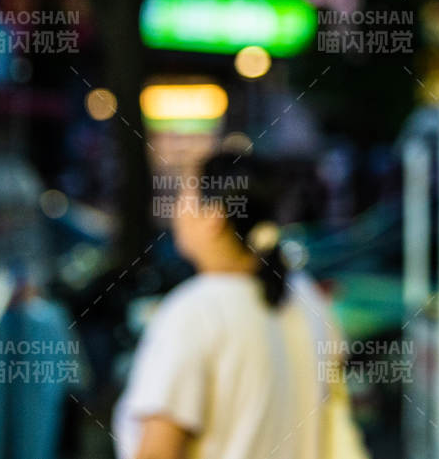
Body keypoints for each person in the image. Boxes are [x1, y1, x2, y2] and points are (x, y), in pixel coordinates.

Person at [113, 152, 364, 459]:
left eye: (184, 195)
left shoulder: (194, 312)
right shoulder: (307, 298)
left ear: (213, 217)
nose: (176, 209)